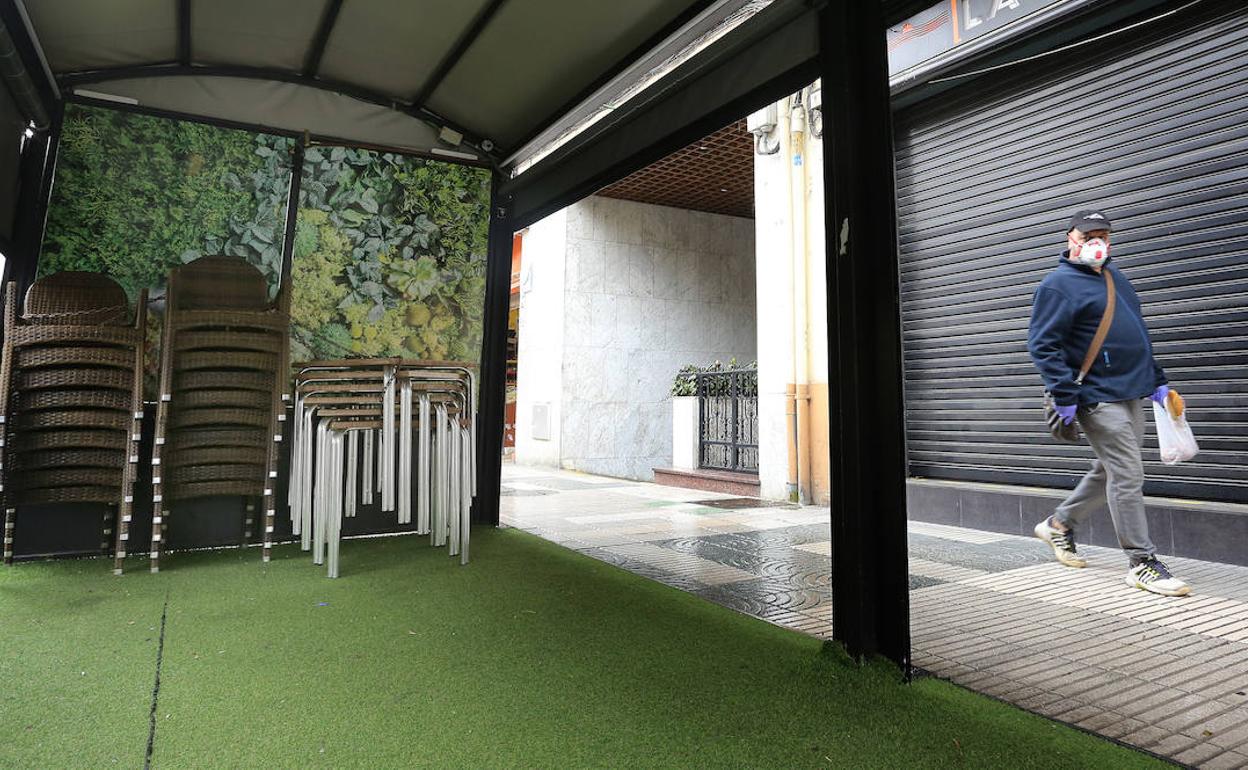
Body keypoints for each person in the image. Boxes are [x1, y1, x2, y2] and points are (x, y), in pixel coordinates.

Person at [1027, 209, 1190, 597]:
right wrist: (1064, 394)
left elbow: (1137, 334)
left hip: (1131, 391)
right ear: (1071, 240)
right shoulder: (1057, 286)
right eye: (1088, 235)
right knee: (1128, 474)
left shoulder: (1117, 279)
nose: (1097, 242)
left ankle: (1059, 524)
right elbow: (1042, 345)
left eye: (1103, 235)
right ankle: (1142, 562)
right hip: (1095, 397)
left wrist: (1159, 384)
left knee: (1111, 470)